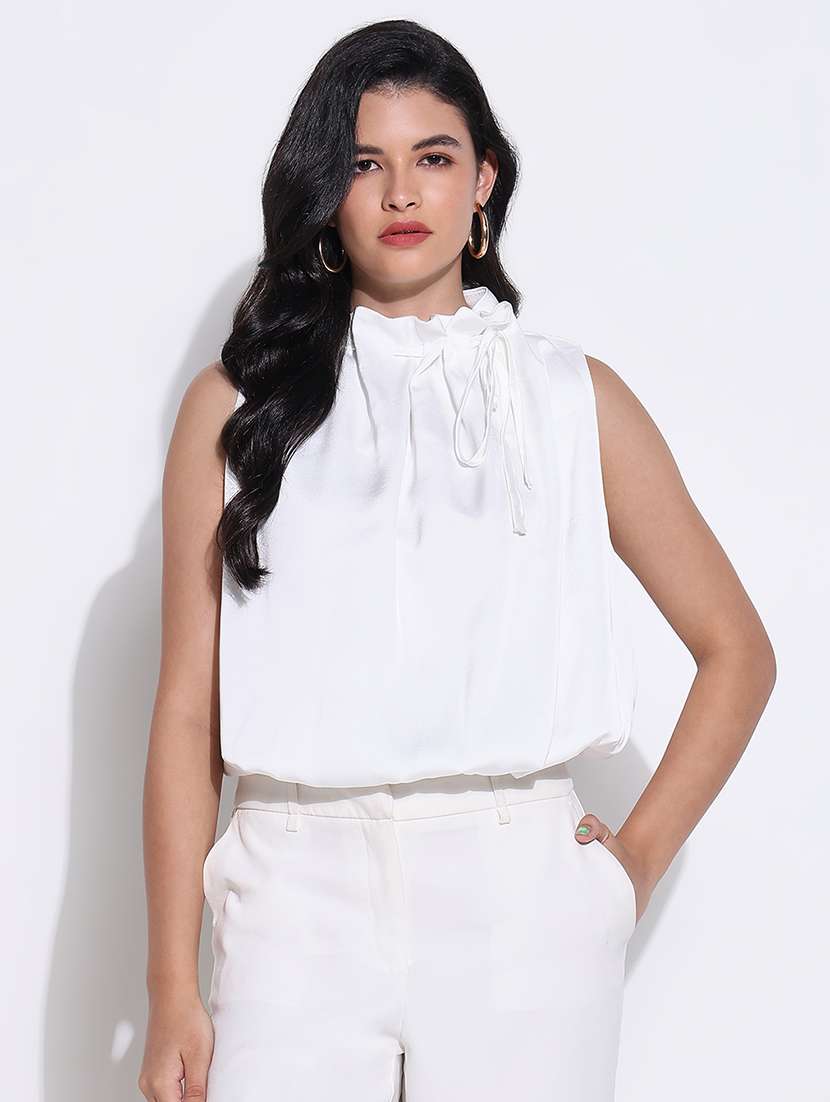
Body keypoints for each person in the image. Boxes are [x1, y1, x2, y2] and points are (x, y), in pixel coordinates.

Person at [138, 18, 776, 1102]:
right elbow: (187, 714)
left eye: (432, 157)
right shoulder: (237, 411)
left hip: (521, 903)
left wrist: (629, 867)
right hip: (291, 894)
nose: (401, 193)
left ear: (482, 181)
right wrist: (168, 986)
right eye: (363, 163)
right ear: (324, 192)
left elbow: (737, 650)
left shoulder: (571, 398)